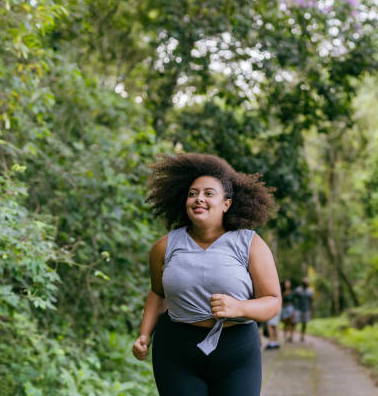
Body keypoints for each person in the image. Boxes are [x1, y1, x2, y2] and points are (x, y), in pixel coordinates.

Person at [131, 153, 281, 396]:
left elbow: (273, 301)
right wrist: (144, 335)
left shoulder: (250, 244)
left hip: (237, 350)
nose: (199, 198)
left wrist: (239, 308)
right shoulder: (164, 246)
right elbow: (158, 294)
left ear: (226, 203)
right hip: (177, 352)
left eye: (208, 193)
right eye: (192, 194)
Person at [294, 277, 313, 342]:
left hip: (306, 309)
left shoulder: (310, 291)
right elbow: (294, 299)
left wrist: (311, 310)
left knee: (304, 323)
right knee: (294, 322)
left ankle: (302, 336)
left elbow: (311, 301)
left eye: (307, 282)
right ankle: (291, 335)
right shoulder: (298, 290)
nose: (306, 283)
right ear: (302, 283)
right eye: (305, 282)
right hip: (298, 308)